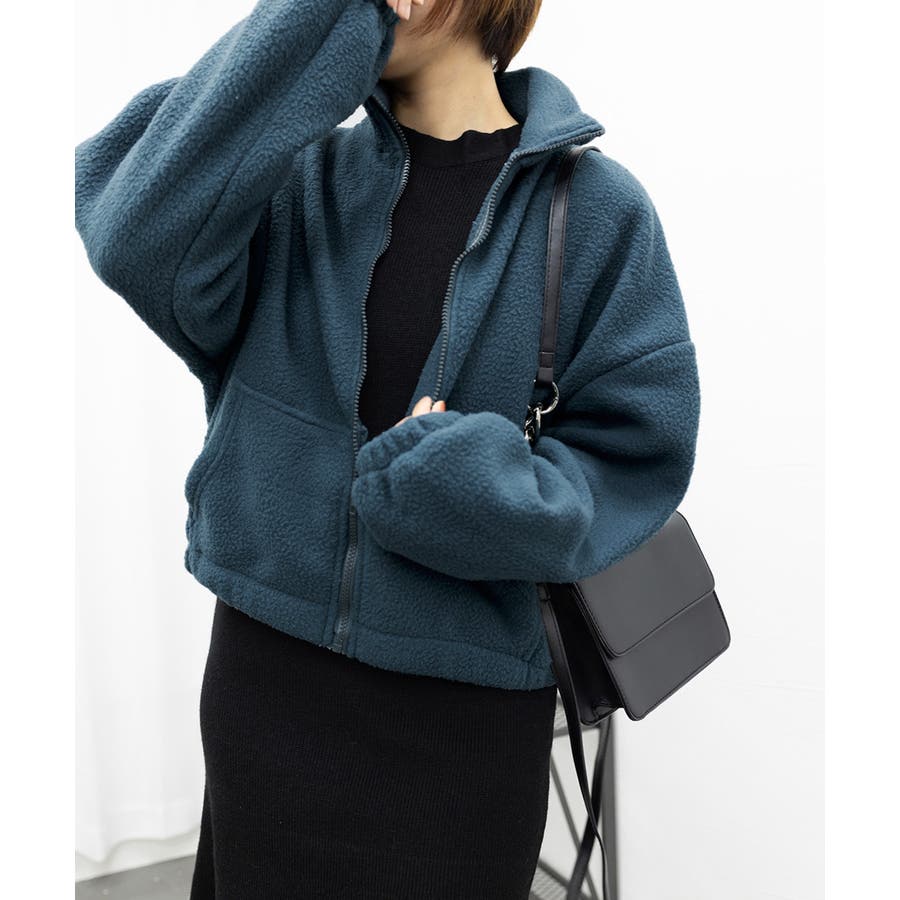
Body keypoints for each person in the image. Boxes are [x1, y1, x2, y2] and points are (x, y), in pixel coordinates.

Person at [74, 0, 702, 896]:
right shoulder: (293, 181)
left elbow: (634, 457)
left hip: (463, 725)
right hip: (267, 688)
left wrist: (466, 486)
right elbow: (129, 227)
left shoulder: (597, 210)